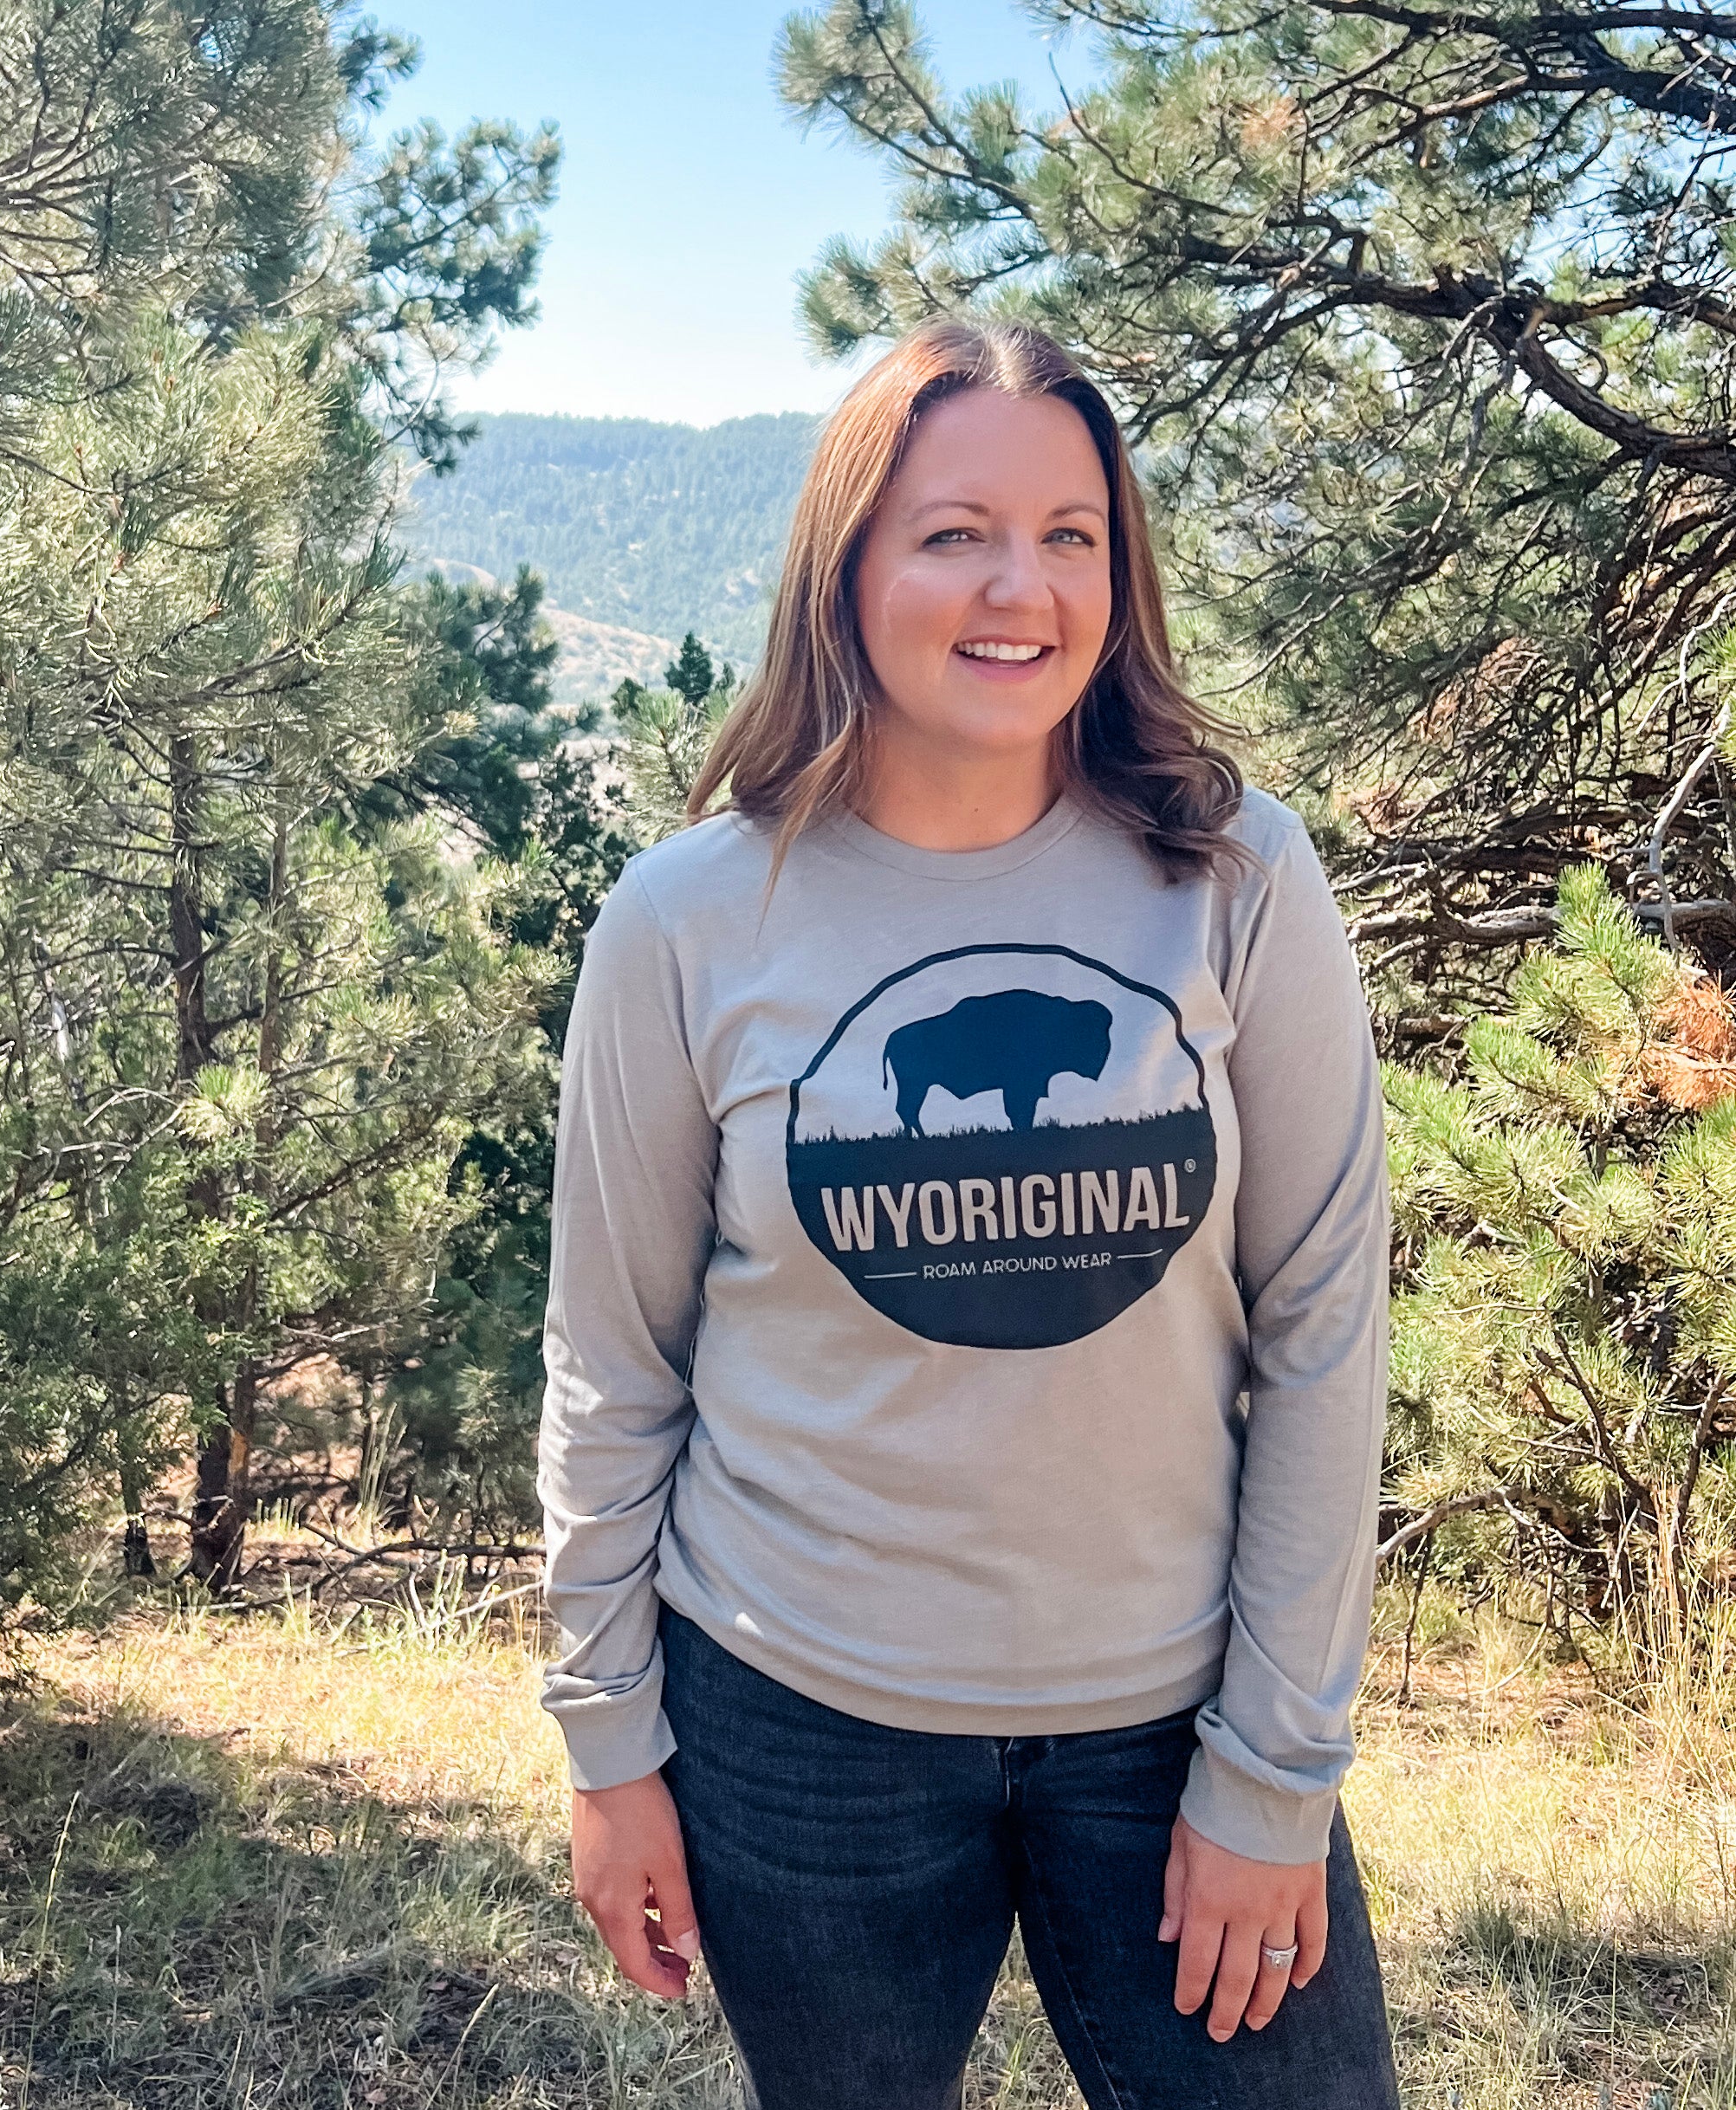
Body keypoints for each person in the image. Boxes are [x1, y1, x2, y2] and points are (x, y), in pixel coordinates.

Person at [536, 316, 1399, 2110]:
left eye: (1070, 534)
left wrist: (1274, 1774)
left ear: (1120, 568)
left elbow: (1326, 1335)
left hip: (1173, 1722)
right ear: (846, 568)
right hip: (796, 1723)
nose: (1022, 586)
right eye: (953, 533)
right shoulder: (688, 918)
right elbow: (614, 1362)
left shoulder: (1236, 876)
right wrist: (612, 1747)